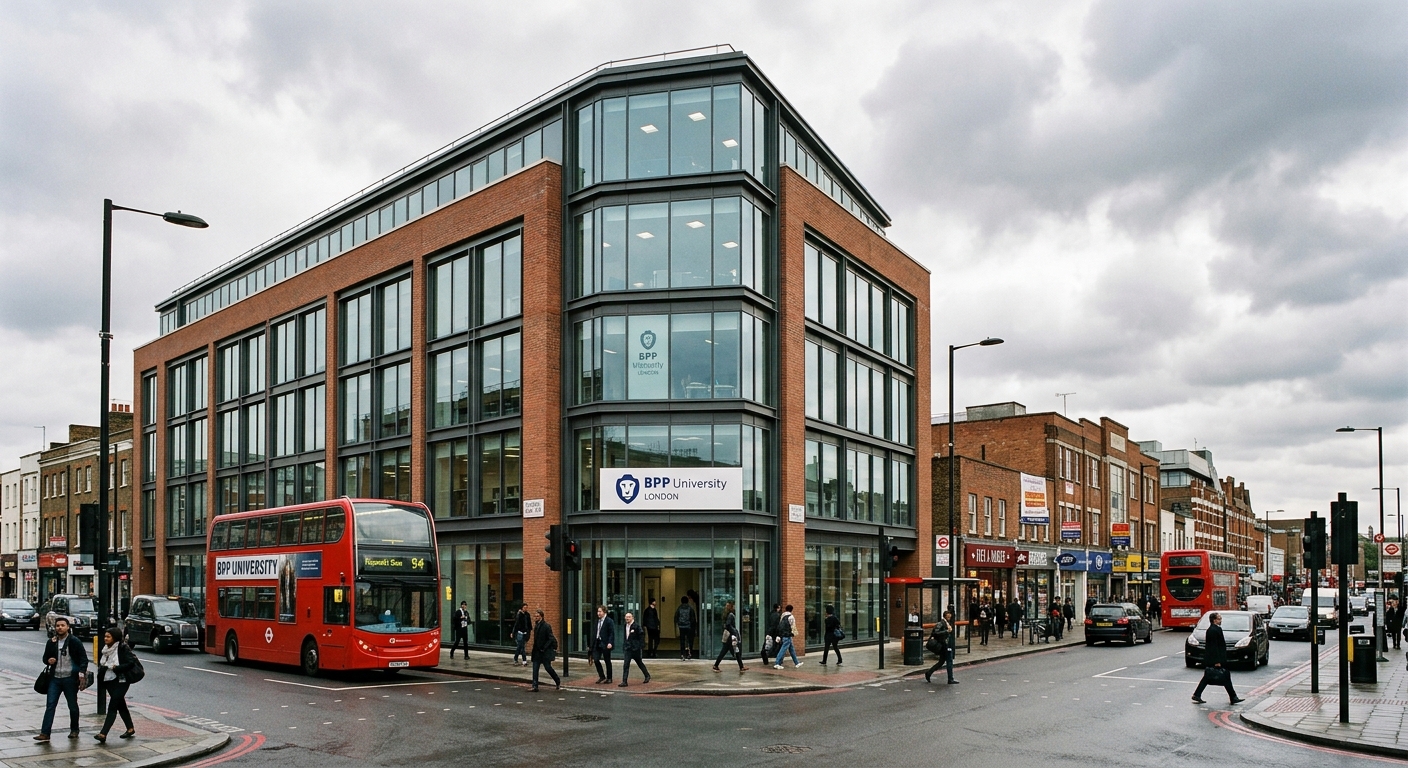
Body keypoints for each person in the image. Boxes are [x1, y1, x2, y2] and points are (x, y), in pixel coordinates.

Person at [36, 617, 88, 742]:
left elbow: (83, 659)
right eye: (58, 625)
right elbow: (45, 658)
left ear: (68, 627)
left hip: (69, 678)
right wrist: (49, 660)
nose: (60, 627)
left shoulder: (74, 641)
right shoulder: (51, 642)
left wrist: (81, 672)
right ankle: (45, 733)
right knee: (50, 705)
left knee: (72, 706)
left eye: (62, 625)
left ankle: (74, 729)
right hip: (55, 679)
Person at [94, 627, 138, 742]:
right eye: (105, 636)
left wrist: (117, 668)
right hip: (109, 680)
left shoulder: (123, 648)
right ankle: (130, 728)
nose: (105, 639)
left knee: (113, 706)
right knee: (120, 704)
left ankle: (103, 733)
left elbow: (131, 662)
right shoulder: (105, 649)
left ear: (115, 638)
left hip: (122, 680)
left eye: (108, 637)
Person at [1192, 612, 1244, 705]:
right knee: (1224, 676)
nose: (1221, 620)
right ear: (1214, 620)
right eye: (1219, 619)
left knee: (1210, 677)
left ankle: (1197, 694)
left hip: (1217, 658)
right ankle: (1233, 697)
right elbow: (1213, 647)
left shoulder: (1215, 629)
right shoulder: (1213, 630)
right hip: (1216, 659)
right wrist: (1217, 661)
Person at [529, 610, 560, 692]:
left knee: (548, 668)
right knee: (535, 669)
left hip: (544, 652)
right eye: (535, 616)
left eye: (537, 616)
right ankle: (535, 686)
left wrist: (544, 647)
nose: (536, 618)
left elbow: (551, 638)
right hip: (536, 652)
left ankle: (557, 680)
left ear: (541, 617)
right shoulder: (536, 626)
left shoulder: (546, 626)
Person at [924, 609, 958, 684]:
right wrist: (946, 631)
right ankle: (950, 679)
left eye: (950, 617)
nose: (949, 618)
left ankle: (929, 673)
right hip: (944, 646)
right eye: (948, 617)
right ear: (945, 617)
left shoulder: (947, 623)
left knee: (941, 662)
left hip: (946, 645)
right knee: (949, 661)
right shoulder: (941, 623)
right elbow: (936, 632)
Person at [713, 601, 747, 672]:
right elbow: (728, 625)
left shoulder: (726, 614)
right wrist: (734, 632)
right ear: (731, 607)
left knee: (727, 650)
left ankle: (716, 665)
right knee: (735, 650)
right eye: (733, 606)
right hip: (730, 636)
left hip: (728, 635)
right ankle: (741, 666)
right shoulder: (731, 615)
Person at [619, 612, 650, 686]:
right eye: (626, 617)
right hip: (628, 648)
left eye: (629, 617)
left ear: (632, 617)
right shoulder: (625, 626)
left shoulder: (636, 626)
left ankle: (647, 675)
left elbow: (641, 636)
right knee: (626, 665)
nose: (627, 618)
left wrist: (640, 646)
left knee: (639, 663)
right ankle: (624, 681)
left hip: (635, 649)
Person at [773, 604, 802, 669]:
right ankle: (777, 663)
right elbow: (793, 626)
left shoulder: (782, 616)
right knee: (783, 650)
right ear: (791, 610)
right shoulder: (791, 617)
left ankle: (796, 662)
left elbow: (780, 625)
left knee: (792, 649)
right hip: (788, 635)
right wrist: (794, 633)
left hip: (783, 634)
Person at [592, 605, 616, 684]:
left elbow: (611, 633)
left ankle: (609, 678)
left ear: (604, 612)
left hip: (605, 643)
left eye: (600, 611)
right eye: (598, 611)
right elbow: (594, 632)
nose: (598, 613)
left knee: (607, 660)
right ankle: (601, 676)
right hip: (598, 642)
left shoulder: (609, 621)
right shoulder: (597, 621)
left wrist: (610, 642)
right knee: (595, 659)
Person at [675, 596, 697, 660]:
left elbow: (676, 617)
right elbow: (693, 619)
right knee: (689, 640)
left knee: (682, 640)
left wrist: (678, 623)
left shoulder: (679, 608)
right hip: (689, 626)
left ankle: (682, 654)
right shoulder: (690, 608)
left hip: (681, 626)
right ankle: (689, 653)